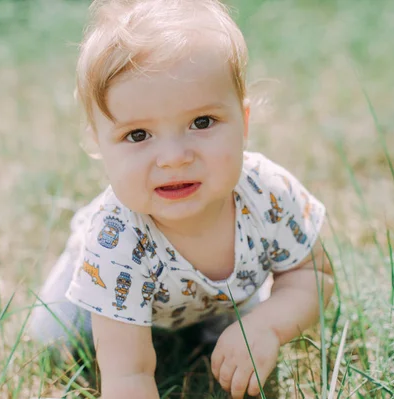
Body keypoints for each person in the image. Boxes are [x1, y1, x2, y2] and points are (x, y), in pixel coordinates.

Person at [28, 0, 334, 397]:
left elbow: (315, 277)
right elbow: (128, 375)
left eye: (202, 122)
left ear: (243, 122)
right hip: (107, 289)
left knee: (237, 327)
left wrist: (268, 326)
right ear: (98, 142)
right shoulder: (115, 242)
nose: (174, 158)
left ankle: (213, 322)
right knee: (54, 340)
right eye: (138, 135)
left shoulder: (267, 194)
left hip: (211, 298)